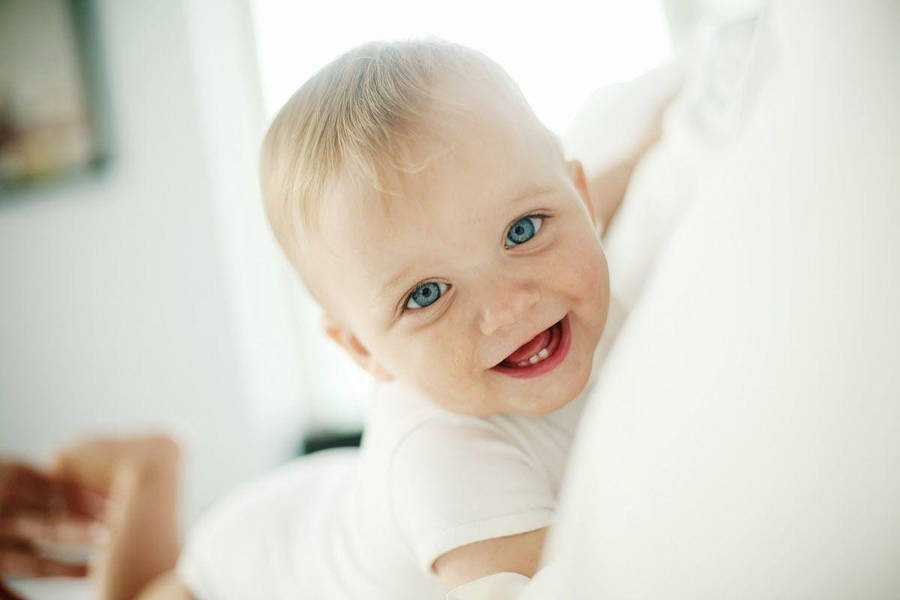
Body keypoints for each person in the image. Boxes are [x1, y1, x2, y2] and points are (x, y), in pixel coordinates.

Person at [5, 39, 668, 599]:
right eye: (427, 294)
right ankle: (147, 471)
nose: (510, 307)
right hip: (254, 572)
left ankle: (148, 470)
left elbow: (603, 189)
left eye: (522, 230)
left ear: (575, 200)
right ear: (361, 348)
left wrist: (663, 131)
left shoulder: (568, 246)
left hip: (327, 499)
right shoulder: (449, 464)